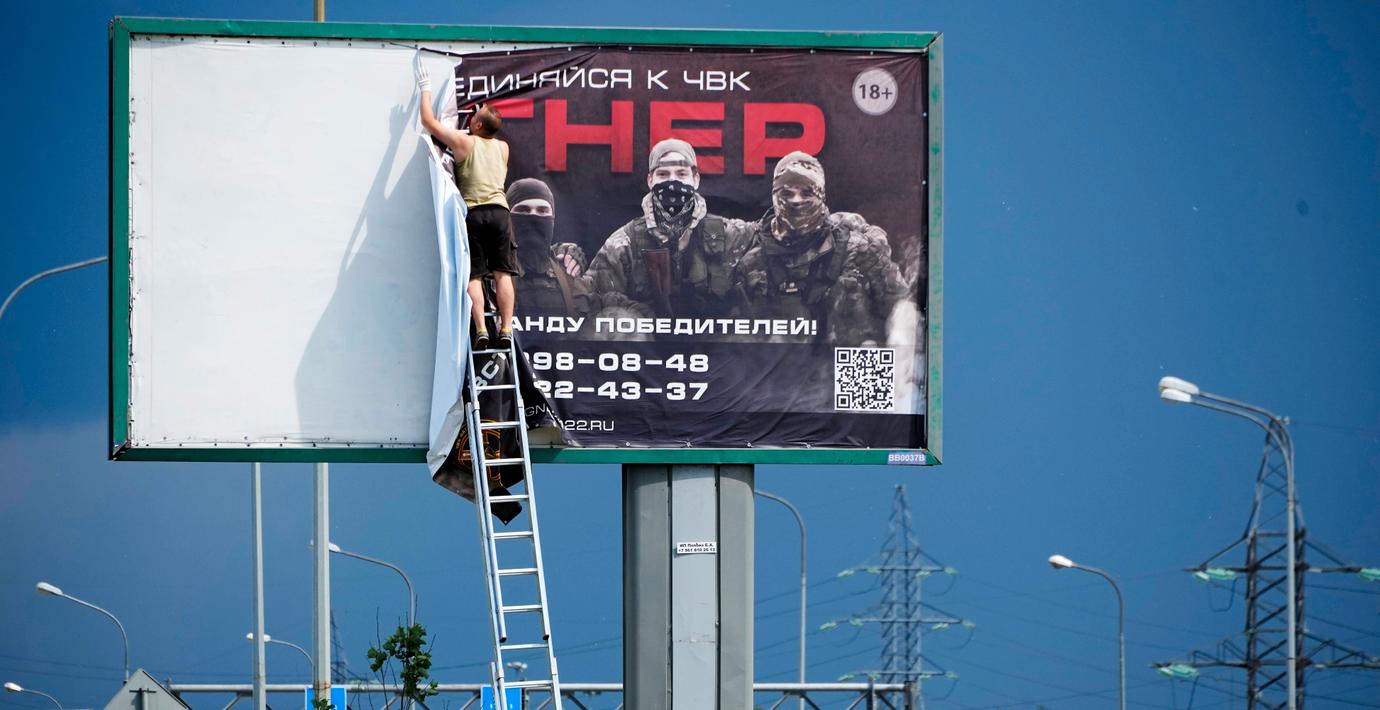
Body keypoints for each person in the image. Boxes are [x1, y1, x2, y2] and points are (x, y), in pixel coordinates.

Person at [734, 151, 911, 346]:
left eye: (806, 193)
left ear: (821, 196)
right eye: (787, 193)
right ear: (774, 196)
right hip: (775, 362)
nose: (796, 201)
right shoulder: (750, 255)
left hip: (845, 361)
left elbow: (903, 312)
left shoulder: (859, 251)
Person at [584, 139, 754, 319]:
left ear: (695, 179)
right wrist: (568, 255)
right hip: (648, 335)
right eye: (663, 174)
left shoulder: (731, 235)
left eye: (681, 174)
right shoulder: (624, 243)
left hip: (713, 335)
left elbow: (770, 236)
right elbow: (591, 296)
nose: (672, 182)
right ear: (650, 180)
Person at [416, 60, 517, 350]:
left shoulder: (464, 143)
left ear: (478, 125)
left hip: (474, 214)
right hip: (500, 213)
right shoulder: (503, 148)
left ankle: (482, 328)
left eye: (475, 116)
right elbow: (486, 134)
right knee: (503, 273)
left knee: (474, 274)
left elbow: (429, 122)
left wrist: (425, 88)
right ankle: (506, 328)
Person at [506, 178, 594, 318]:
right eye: (523, 210)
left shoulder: (569, 274)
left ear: (552, 218)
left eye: (542, 211)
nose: (533, 216)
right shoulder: (493, 275)